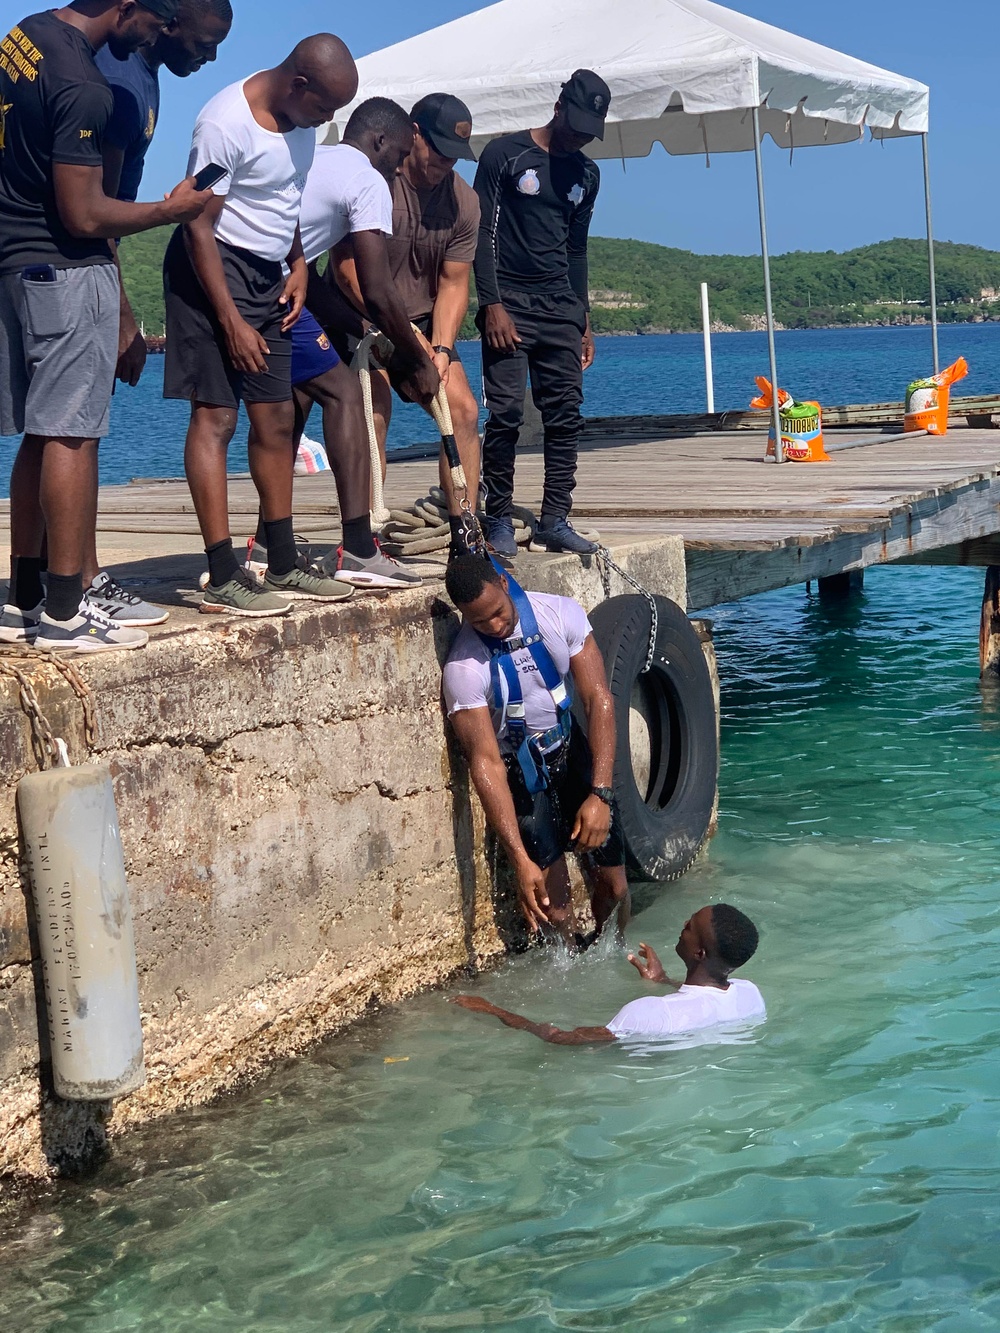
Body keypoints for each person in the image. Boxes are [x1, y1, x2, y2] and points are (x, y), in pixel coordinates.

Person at [0, 0, 211, 654]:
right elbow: (85, 213)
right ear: (127, 7)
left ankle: (27, 597)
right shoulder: (86, 84)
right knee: (73, 435)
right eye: (158, 20)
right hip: (65, 268)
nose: (159, 33)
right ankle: (65, 611)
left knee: (42, 431)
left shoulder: (24, 34)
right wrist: (171, 210)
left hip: (15, 259)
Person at [164, 34, 361, 616]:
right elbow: (198, 224)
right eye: (324, 108)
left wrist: (299, 263)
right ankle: (223, 572)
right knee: (217, 415)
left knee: (276, 415)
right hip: (211, 270)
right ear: (299, 85)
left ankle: (281, 558)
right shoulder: (226, 123)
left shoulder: (303, 122)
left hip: (270, 274)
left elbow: (287, 196)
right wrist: (229, 320)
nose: (327, 121)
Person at [243, 96, 439, 591]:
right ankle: (358, 549)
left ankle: (269, 542)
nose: (397, 172)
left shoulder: (317, 161)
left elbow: (324, 290)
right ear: (378, 143)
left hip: (245, 275)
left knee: (297, 396)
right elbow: (377, 288)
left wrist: (378, 346)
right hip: (265, 282)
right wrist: (415, 357)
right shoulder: (367, 179)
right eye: (397, 157)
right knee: (343, 393)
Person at [80, 0, 233, 629]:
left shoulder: (145, 77)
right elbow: (97, 211)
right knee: (73, 431)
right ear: (169, 23)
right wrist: (124, 315)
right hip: (75, 259)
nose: (210, 56)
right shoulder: (118, 79)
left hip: (85, 257)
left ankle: (51, 576)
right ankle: (81, 580)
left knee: (66, 427)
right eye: (205, 41)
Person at [325, 93, 482, 563]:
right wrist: (399, 340)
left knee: (464, 411)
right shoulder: (375, 183)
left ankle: (464, 536)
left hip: (418, 326)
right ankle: (364, 537)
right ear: (413, 134)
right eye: (436, 149)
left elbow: (455, 284)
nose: (444, 163)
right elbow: (347, 269)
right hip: (356, 314)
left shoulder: (464, 203)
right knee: (374, 410)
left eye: (454, 156)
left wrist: (441, 348)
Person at [442, 552, 628, 944]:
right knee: (555, 909)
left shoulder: (559, 614)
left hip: (570, 748)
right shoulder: (464, 668)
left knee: (616, 889)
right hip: (520, 771)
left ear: (505, 584)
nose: (495, 625)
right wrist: (517, 856)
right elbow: (486, 763)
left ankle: (615, 961)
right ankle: (569, 980)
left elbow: (599, 700)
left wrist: (601, 793)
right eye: (479, 621)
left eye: (497, 611)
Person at [473, 69, 610, 560]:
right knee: (506, 415)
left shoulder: (588, 175)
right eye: (574, 124)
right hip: (509, 302)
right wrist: (491, 304)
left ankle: (555, 518)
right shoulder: (504, 156)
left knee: (566, 415)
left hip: (560, 308)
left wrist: (584, 319)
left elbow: (577, 250)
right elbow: (481, 236)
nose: (578, 137)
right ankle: (498, 514)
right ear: (558, 107)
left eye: (588, 131)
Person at [452, 904, 764, 1044]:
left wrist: (490, 1008)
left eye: (690, 927)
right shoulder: (750, 995)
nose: (683, 924)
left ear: (700, 954)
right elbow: (704, 1002)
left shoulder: (652, 1013)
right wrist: (664, 980)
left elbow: (560, 1039)